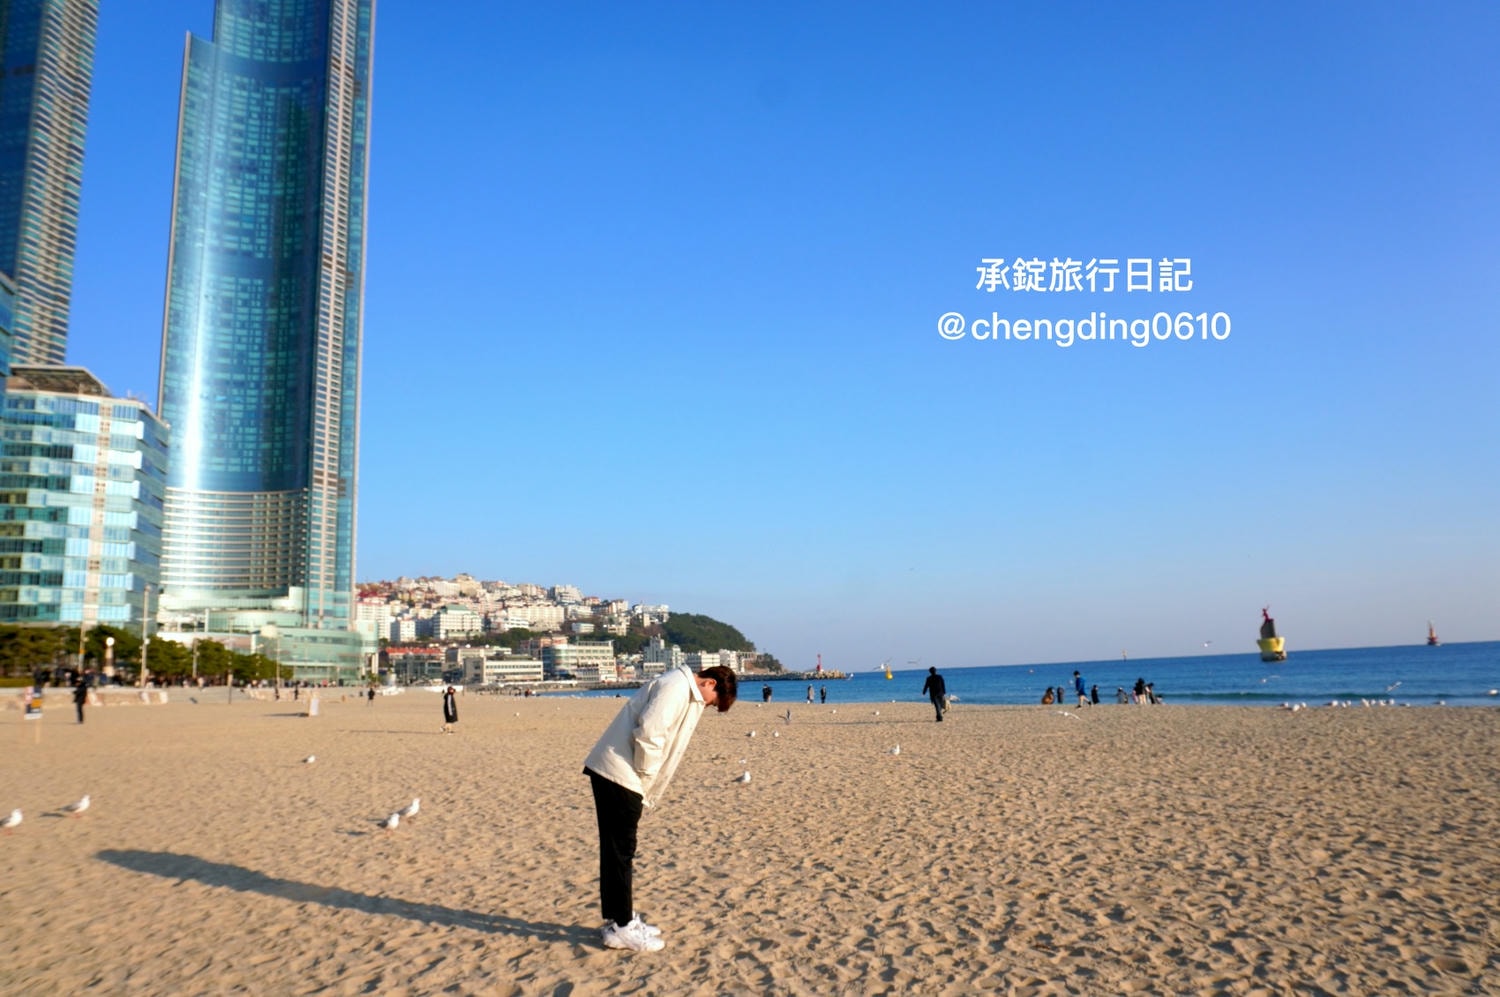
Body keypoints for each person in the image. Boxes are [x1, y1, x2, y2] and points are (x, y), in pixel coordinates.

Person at [583, 663, 738, 953]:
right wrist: (646, 774)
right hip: (621, 774)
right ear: (710, 684)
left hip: (620, 773)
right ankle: (622, 926)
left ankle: (620, 919)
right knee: (621, 850)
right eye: (712, 703)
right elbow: (650, 733)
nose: (707, 708)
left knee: (619, 850)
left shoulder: (682, 689)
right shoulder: (676, 687)